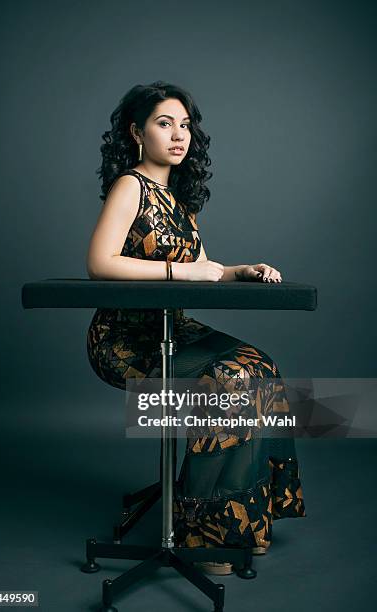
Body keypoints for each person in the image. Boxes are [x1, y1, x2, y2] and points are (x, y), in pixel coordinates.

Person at [86, 81, 305, 576]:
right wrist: (178, 271)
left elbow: (205, 267)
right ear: (136, 132)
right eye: (165, 123)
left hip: (175, 329)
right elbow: (100, 263)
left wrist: (241, 270)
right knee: (230, 381)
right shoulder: (131, 185)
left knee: (260, 369)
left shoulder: (180, 201)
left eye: (185, 125)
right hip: (125, 339)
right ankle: (202, 531)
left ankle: (242, 521)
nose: (179, 134)